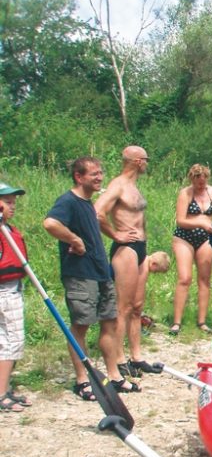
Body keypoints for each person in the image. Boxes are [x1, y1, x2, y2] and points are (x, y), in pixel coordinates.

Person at [43, 157, 139, 399]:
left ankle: (113, 375)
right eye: (94, 174)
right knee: (81, 326)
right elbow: (50, 223)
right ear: (79, 176)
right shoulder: (68, 201)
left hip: (101, 272)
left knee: (109, 322)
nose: (99, 177)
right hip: (80, 275)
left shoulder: (88, 204)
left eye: (100, 173)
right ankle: (82, 380)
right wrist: (73, 239)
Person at [94, 146, 161, 379]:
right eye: (145, 160)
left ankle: (137, 356)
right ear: (136, 161)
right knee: (122, 307)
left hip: (141, 248)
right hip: (126, 250)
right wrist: (116, 235)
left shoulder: (134, 186)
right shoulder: (118, 185)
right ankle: (119, 358)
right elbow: (98, 212)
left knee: (137, 306)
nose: (147, 164)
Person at [170, 164, 212, 335]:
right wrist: (201, 222)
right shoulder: (185, 193)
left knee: (204, 279)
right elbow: (180, 220)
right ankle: (176, 322)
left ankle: (202, 321)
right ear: (192, 180)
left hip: (206, 238)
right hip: (184, 237)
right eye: (197, 183)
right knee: (185, 278)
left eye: (203, 183)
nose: (200, 186)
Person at [0, 182, 32, 412]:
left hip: (13, 287)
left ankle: (4, 388)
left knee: (7, 341)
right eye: (7, 202)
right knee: (12, 341)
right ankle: (1, 395)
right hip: (4, 291)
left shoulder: (8, 229)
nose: (13, 207)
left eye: (14, 202)